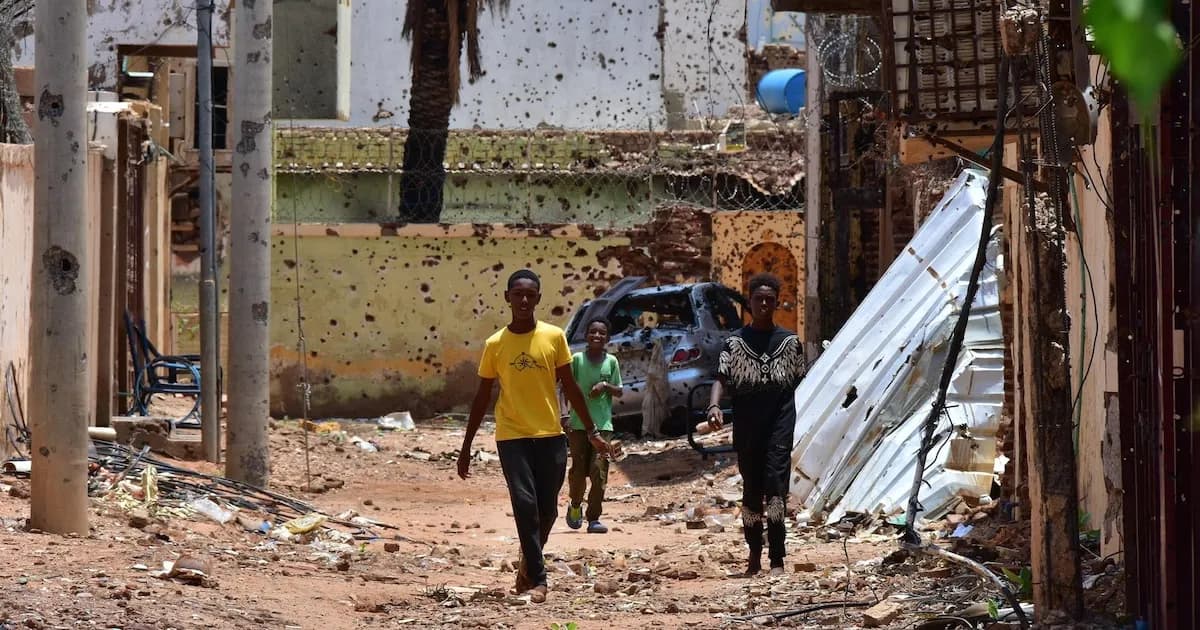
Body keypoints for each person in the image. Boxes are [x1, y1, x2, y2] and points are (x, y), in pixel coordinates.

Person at [456, 269, 609, 604]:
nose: (524, 300)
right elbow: (482, 396)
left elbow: (570, 386)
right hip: (512, 436)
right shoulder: (495, 344)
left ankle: (529, 559)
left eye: (530, 295)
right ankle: (539, 579)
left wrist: (593, 431)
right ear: (507, 297)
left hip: (551, 435)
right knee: (525, 505)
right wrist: (466, 447)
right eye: (517, 294)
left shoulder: (554, 338)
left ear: (538, 298)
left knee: (548, 511)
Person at [706, 272, 807, 577]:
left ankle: (777, 557)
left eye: (769, 299)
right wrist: (713, 405)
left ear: (777, 303)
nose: (764, 303)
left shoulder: (790, 343)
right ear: (749, 303)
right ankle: (753, 555)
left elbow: (798, 381)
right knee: (751, 491)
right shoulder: (735, 343)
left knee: (775, 488)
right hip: (748, 426)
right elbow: (721, 378)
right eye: (758, 299)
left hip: (779, 423)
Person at [564, 317, 623, 534]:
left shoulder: (612, 362)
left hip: (604, 426)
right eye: (593, 332)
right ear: (586, 335)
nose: (597, 336)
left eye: (601, 333)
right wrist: (564, 416)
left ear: (607, 338)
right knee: (578, 471)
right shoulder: (577, 359)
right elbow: (565, 388)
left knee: (599, 471)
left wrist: (605, 385)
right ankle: (576, 505)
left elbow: (619, 390)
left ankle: (594, 518)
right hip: (578, 425)